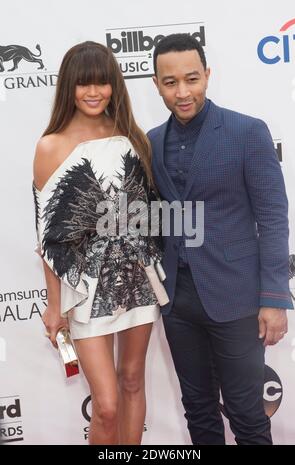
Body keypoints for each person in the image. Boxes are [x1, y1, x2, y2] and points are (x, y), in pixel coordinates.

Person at [148, 33, 293, 445]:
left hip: (237, 297)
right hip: (178, 301)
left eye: (191, 79)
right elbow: (156, 217)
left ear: (208, 75)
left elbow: (272, 217)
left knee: (247, 412)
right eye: (171, 82)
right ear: (156, 84)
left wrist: (274, 298)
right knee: (198, 410)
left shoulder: (246, 131)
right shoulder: (152, 141)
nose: (182, 92)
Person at [33, 41, 163, 445]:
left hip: (136, 280)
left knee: (132, 382)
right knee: (105, 405)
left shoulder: (132, 137)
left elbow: (149, 214)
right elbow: (49, 237)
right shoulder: (50, 145)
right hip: (84, 289)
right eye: (83, 84)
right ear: (69, 87)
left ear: (114, 86)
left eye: (102, 83)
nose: (94, 92)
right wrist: (55, 307)